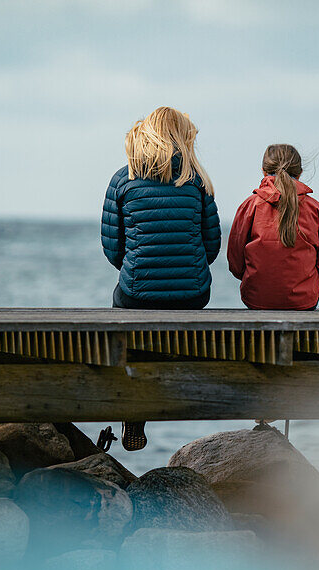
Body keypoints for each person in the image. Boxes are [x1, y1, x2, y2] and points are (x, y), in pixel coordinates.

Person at [101, 107, 220, 449]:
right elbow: (211, 246)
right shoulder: (197, 181)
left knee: (124, 315)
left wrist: (141, 268)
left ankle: (134, 412)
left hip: (137, 293)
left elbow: (113, 249)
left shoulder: (123, 180)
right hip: (193, 294)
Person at [227, 144, 319, 310]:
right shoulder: (314, 208)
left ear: (264, 171)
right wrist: (302, 282)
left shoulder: (250, 205)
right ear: (300, 173)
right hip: (303, 301)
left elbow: (235, 264)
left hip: (256, 299)